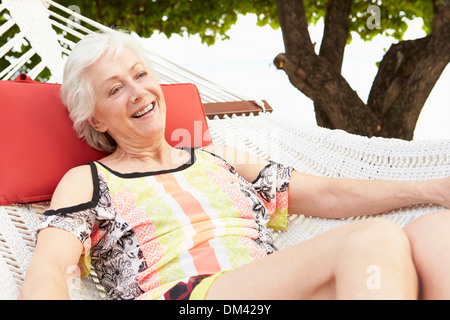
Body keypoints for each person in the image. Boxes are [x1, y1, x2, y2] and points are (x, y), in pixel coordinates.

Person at [19, 31, 450, 300]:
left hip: (268, 287)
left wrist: (434, 189)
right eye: (115, 89)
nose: (138, 92)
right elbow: (51, 268)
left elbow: (324, 193)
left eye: (141, 74)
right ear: (94, 119)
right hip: (184, 294)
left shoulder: (217, 155)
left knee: (435, 232)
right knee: (372, 240)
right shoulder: (86, 180)